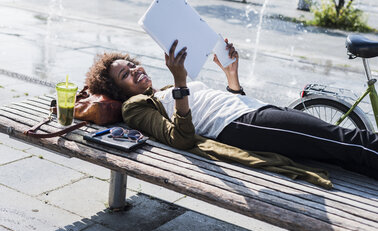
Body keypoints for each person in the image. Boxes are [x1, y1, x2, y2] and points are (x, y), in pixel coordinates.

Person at [85, 39, 378, 182]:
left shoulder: (161, 93)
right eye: (125, 75)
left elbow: (227, 101)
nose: (135, 71)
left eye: (132, 65)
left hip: (250, 112)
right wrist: (180, 81)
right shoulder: (135, 107)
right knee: (346, 140)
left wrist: (231, 76)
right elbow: (181, 137)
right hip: (240, 124)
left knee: (341, 149)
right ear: (118, 91)